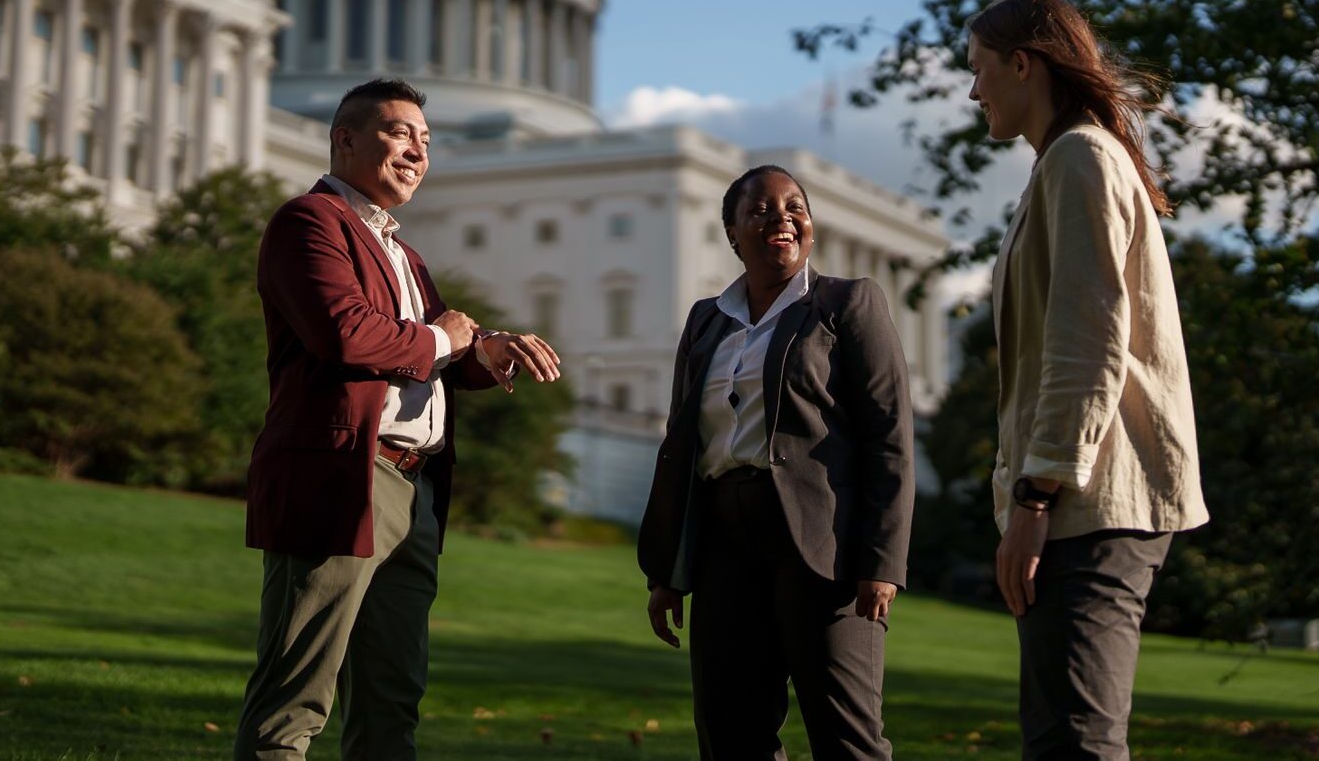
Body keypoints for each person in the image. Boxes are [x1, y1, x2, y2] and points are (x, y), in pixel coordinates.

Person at [234, 78, 562, 761]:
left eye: (426, 141)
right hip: (344, 477)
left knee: (391, 705)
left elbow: (427, 353)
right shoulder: (309, 222)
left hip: (415, 495)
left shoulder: (404, 253)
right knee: (293, 702)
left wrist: (484, 351)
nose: (417, 151)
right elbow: (347, 334)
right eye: (398, 132)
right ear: (344, 139)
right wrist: (446, 338)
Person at [969, 0, 1210, 761]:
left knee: (1076, 743)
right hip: (1084, 499)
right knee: (1062, 739)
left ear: (1021, 63)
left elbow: (1088, 341)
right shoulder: (1069, 162)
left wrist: (1036, 495)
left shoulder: (1080, 159)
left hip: (1089, 502)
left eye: (978, 70)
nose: (974, 92)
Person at [637, 164, 915, 761]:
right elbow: (682, 446)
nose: (781, 217)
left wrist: (883, 560)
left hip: (821, 546)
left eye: (795, 207)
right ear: (733, 233)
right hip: (722, 546)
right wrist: (667, 570)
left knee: (846, 738)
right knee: (730, 734)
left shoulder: (847, 303)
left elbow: (889, 434)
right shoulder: (705, 320)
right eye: (760, 209)